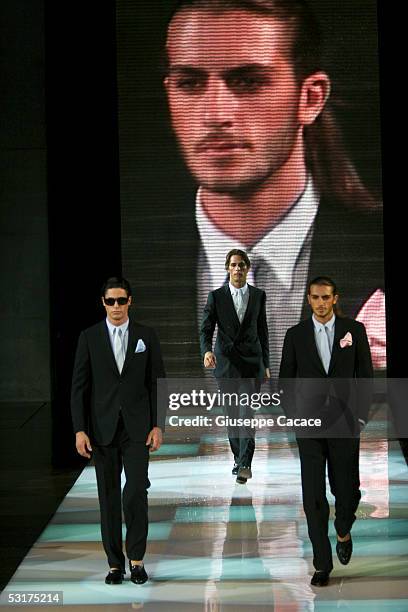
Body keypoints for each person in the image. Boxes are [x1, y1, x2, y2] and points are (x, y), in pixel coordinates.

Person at [162, 0, 384, 378]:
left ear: (310, 97)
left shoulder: (372, 255)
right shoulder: (143, 260)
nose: (215, 114)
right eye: (190, 83)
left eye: (248, 82)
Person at [279, 276, 373, 587]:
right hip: (309, 425)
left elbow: (366, 377)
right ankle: (322, 564)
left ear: (335, 298)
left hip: (344, 423)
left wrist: (360, 418)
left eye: (326, 297)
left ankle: (343, 530)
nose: (321, 302)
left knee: (347, 490)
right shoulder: (295, 335)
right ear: (308, 299)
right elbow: (285, 382)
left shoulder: (354, 331)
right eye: (315, 297)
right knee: (313, 497)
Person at [71, 277, 165, 585]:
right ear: (103, 302)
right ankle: (115, 564)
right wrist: (80, 430)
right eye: (110, 301)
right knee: (108, 498)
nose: (116, 307)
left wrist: (158, 424)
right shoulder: (90, 337)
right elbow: (79, 388)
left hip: (137, 428)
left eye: (121, 301)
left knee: (137, 490)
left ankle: (136, 560)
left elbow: (156, 383)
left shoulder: (146, 335)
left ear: (130, 302)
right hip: (102, 429)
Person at [200, 249, 270, 483]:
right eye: (233, 265)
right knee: (232, 416)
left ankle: (245, 463)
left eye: (241, 265)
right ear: (227, 268)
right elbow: (206, 327)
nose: (238, 268)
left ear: (248, 268)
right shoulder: (216, 296)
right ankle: (237, 458)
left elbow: (263, 331)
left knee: (246, 414)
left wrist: (266, 364)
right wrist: (207, 350)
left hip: (251, 363)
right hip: (227, 364)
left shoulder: (259, 295)